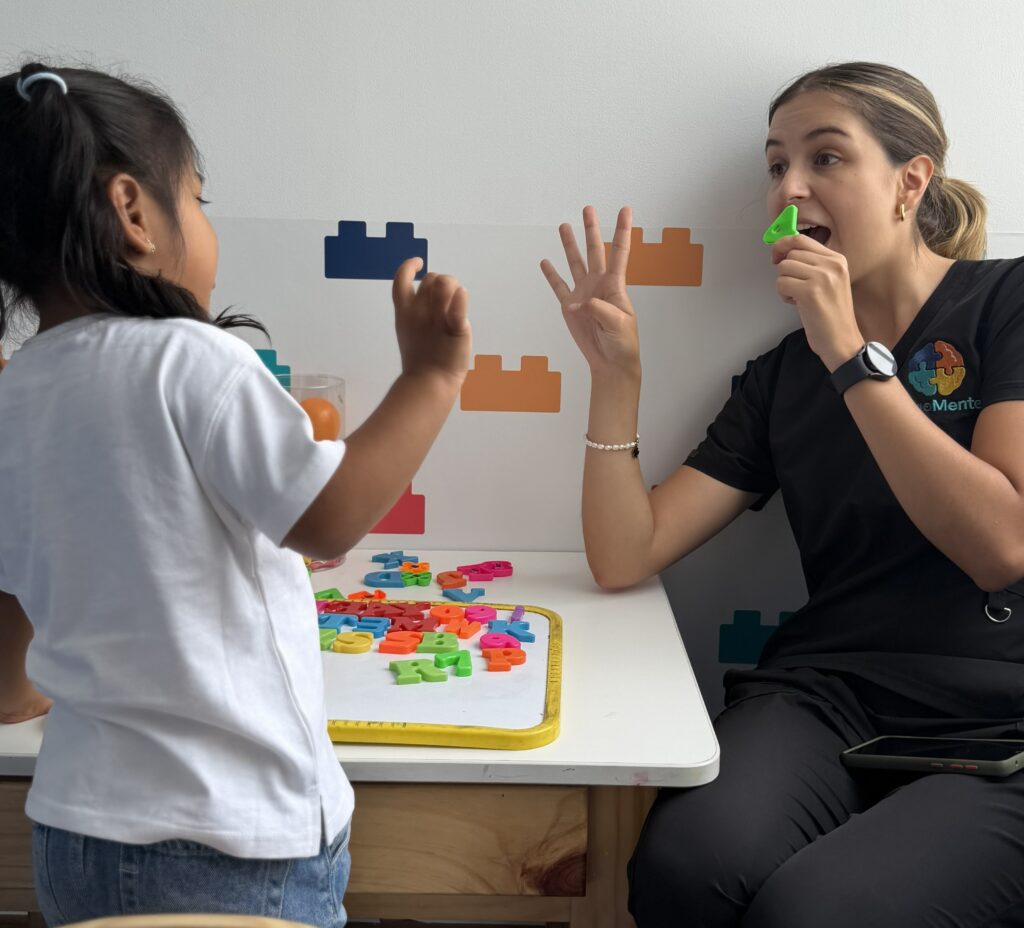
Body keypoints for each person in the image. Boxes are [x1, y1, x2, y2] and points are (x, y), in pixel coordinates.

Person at [542, 62, 1024, 927]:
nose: (789, 190)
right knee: (684, 867)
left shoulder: (1008, 304)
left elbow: (1003, 547)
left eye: (825, 159)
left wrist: (851, 358)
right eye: (776, 167)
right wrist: (615, 379)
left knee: (815, 912)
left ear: (911, 182)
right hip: (827, 693)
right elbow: (624, 554)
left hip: (1002, 725)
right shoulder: (783, 375)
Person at [0, 62, 471, 927]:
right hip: (232, 842)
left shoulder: (15, 392)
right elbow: (329, 520)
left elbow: (8, 637)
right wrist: (430, 380)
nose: (208, 228)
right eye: (200, 199)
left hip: (72, 836)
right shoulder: (193, 359)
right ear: (134, 212)